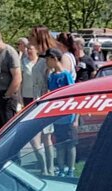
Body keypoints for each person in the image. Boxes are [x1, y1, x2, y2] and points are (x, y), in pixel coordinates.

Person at [42, 48, 77, 177]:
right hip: (57, 117)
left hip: (67, 115)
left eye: (47, 59)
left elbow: (73, 94)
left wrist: (75, 117)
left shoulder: (66, 75)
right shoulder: (51, 76)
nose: (46, 62)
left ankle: (71, 168)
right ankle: (61, 168)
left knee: (70, 143)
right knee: (59, 144)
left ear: (54, 59)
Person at [21, 42, 43, 106]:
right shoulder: (23, 62)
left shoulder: (42, 62)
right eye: (27, 49)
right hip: (27, 95)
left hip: (40, 94)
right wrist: (19, 96)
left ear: (36, 50)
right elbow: (20, 80)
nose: (28, 51)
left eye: (30, 49)